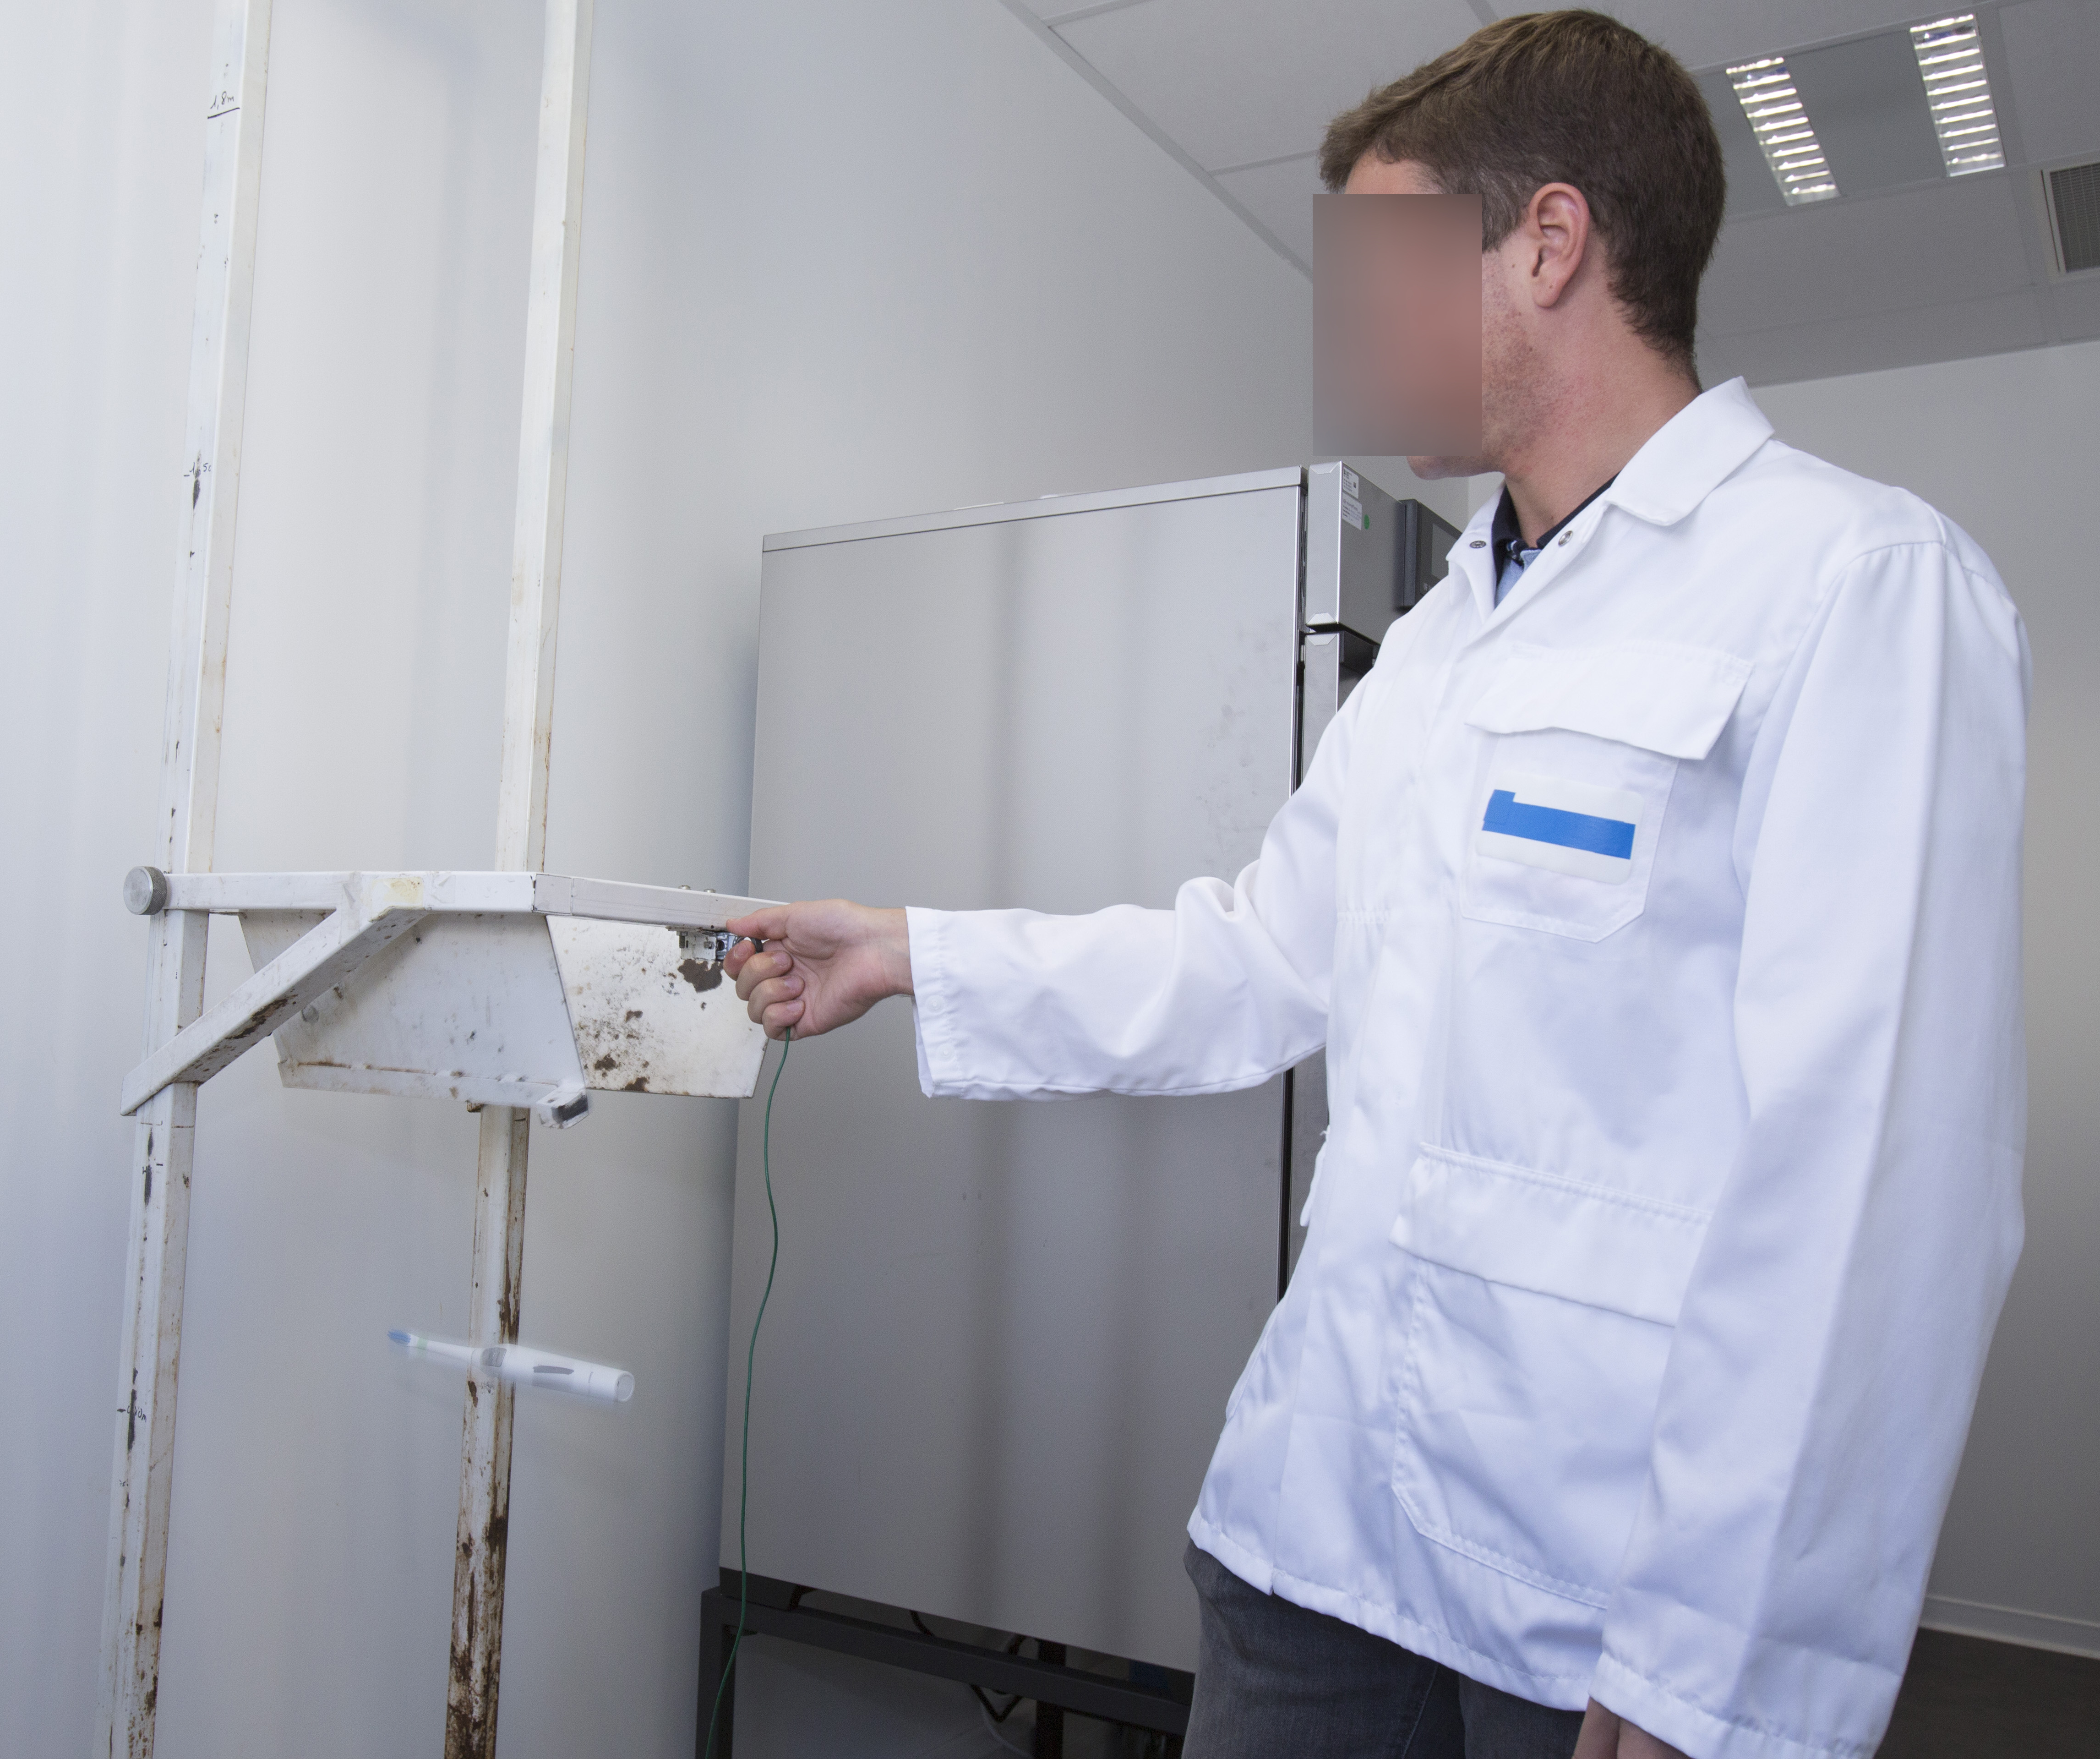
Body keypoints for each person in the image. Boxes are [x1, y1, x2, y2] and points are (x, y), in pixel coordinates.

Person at [723, 11, 2029, 1759]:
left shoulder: (1849, 588)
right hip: (1317, 1526)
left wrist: (1715, 1662)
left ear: (1548, 243)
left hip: (1592, 1599)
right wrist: (909, 953)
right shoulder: (1439, 640)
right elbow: (1259, 959)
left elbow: (1878, 1184)